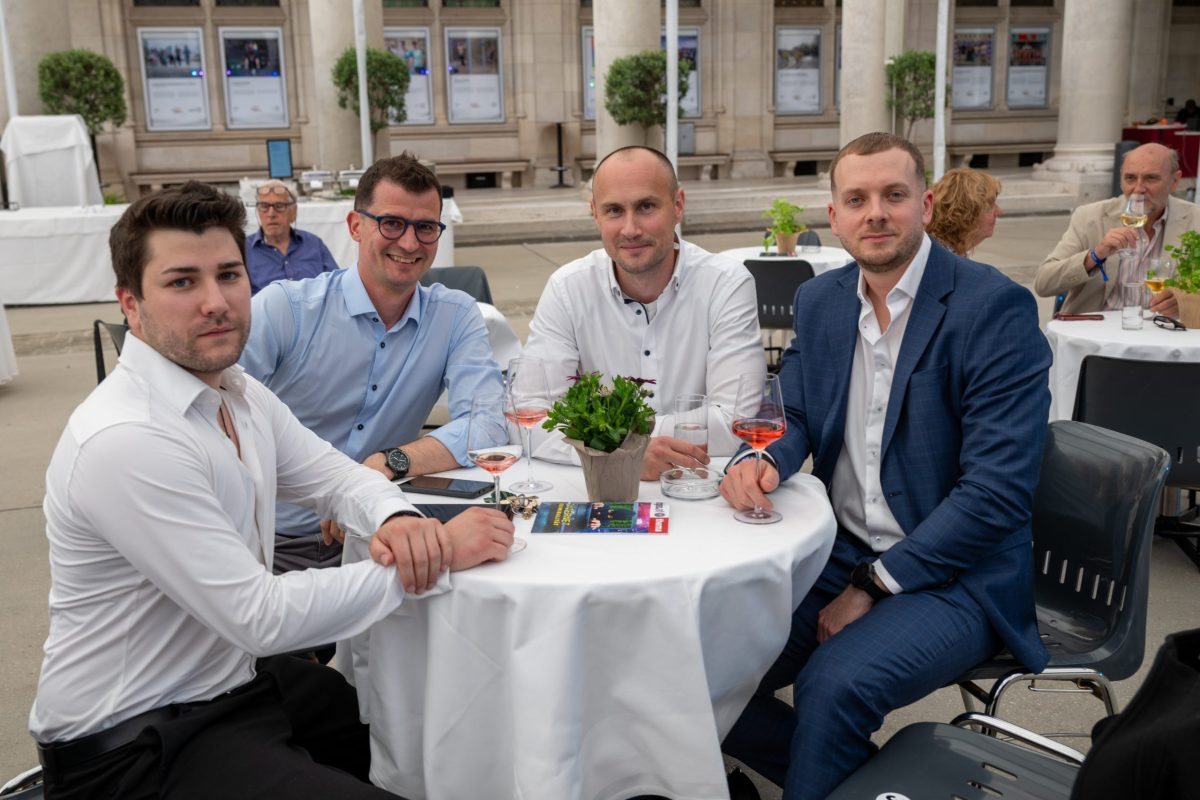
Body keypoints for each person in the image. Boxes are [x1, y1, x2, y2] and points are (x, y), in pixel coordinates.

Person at [29, 181, 514, 800]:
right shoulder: (126, 438)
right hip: (134, 742)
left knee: (410, 725)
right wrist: (438, 552)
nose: (215, 302)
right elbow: (260, 617)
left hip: (227, 680)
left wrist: (396, 520)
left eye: (229, 275)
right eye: (183, 282)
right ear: (131, 303)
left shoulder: (237, 391)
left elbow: (337, 476)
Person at [719, 132, 1052, 800]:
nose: (875, 213)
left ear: (924, 205)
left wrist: (873, 584)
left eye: (893, 195)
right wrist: (759, 459)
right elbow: (795, 412)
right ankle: (860, 780)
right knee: (706, 662)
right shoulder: (822, 300)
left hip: (959, 574)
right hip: (838, 551)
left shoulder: (993, 308)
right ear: (834, 216)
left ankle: (828, 771)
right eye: (857, 199)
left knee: (833, 686)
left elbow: (995, 495)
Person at [240, 153, 507, 575]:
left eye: (425, 228)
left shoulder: (454, 315)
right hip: (278, 543)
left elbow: (487, 424)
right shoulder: (286, 309)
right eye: (392, 223)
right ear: (355, 226)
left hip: (387, 530)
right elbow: (215, 413)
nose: (410, 243)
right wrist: (344, 489)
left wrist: (386, 463)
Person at [522, 145, 766, 480]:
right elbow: (530, 418)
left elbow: (737, 423)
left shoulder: (725, 284)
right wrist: (626, 455)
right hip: (600, 489)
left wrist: (610, 442)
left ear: (678, 205)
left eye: (646, 206)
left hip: (700, 489)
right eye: (614, 210)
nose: (630, 229)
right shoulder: (568, 289)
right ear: (595, 213)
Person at [1035, 142, 1197, 315]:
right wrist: (1094, 256)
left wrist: (1188, 301)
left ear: (1175, 181)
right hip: (1097, 328)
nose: (1138, 189)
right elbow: (1043, 284)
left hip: (1166, 328)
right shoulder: (1090, 217)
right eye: (1130, 178)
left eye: (1151, 178)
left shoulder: (1195, 219)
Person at [245, 180, 339, 295]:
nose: (271, 214)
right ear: (258, 212)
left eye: (279, 206)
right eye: (264, 206)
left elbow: (336, 285)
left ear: (293, 212)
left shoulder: (314, 244)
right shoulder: (244, 250)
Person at [926, 167, 1002, 256]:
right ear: (966, 215)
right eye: (990, 206)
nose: (999, 211)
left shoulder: (944, 252)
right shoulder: (941, 259)